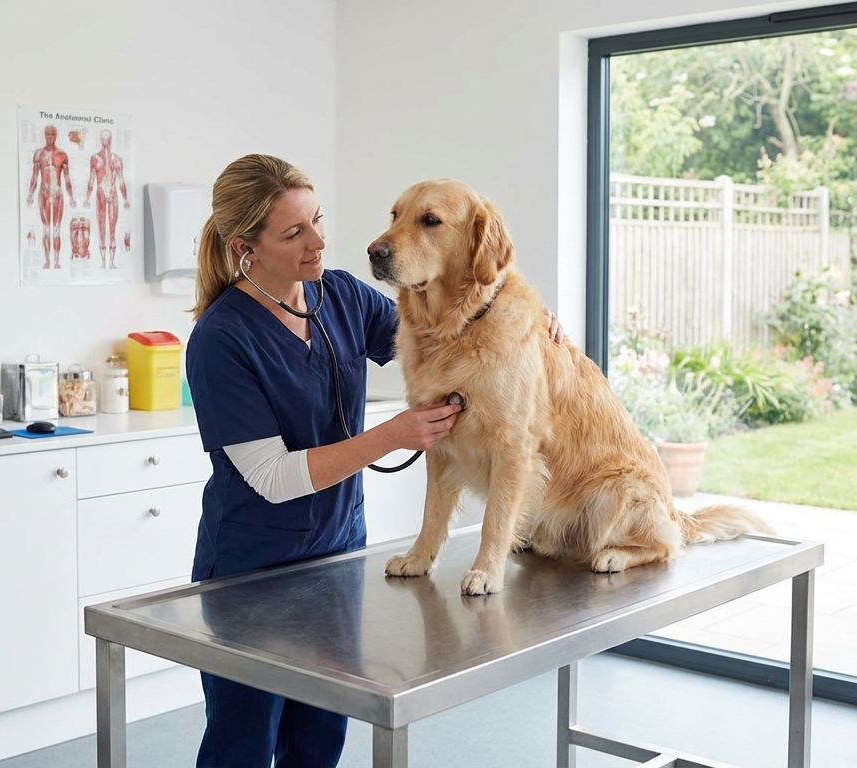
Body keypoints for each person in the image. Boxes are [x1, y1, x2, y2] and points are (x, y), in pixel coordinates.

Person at [185, 154, 561, 768]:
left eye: (318, 220)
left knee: (320, 737)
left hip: (335, 555)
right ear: (245, 247)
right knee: (244, 743)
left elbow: (445, 335)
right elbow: (274, 479)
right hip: (251, 571)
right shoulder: (222, 339)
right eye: (294, 233)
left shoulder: (340, 297)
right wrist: (395, 434)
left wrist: (526, 322)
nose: (321, 242)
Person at [25, 124, 75, 269]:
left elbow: (67, 178)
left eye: (52, 135)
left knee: (57, 229)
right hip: (44, 193)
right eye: (48, 135)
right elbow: (34, 177)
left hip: (58, 193)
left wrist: (71, 197)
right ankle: (47, 260)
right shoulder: (39, 154)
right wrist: (30, 194)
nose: (50, 137)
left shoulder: (62, 155)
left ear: (56, 136)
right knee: (46, 228)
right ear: (45, 136)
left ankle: (57, 261)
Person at [85, 129, 130, 268]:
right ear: (101, 140)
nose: (106, 142)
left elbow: (121, 181)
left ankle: (111, 262)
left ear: (111, 141)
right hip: (100, 195)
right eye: (104, 139)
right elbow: (91, 179)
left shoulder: (116, 160)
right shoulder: (95, 158)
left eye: (108, 139)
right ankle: (103, 262)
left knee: (112, 230)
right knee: (101, 228)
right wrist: (87, 198)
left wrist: (125, 199)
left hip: (112, 194)